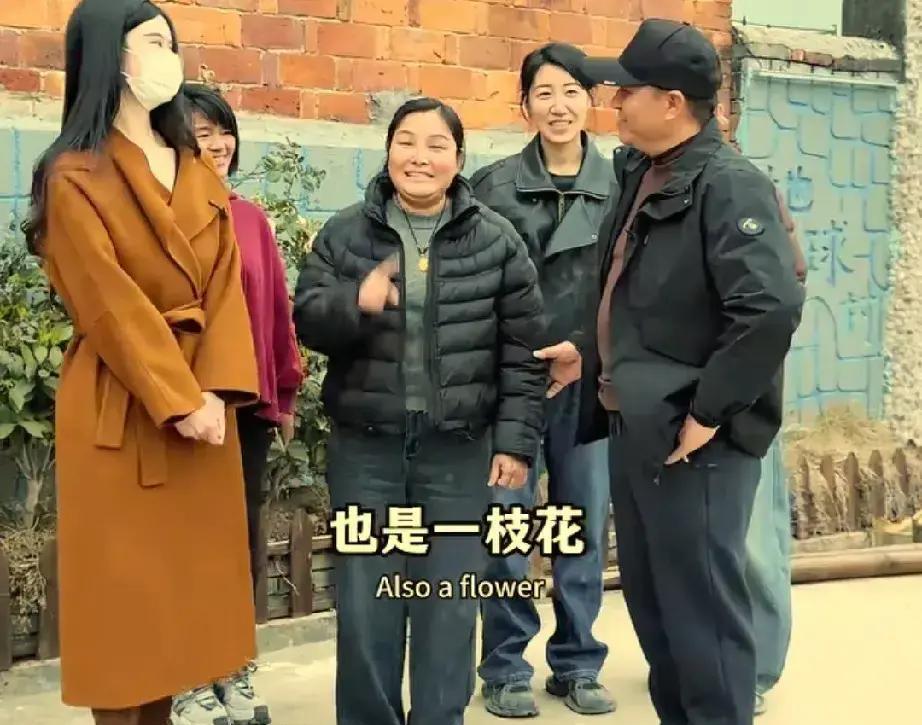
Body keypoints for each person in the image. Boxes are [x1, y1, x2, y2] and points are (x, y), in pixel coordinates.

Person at [21, 1, 261, 723]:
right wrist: (179, 399)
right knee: (126, 612)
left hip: (204, 407)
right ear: (111, 56)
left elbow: (227, 286)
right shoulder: (72, 174)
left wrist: (216, 391)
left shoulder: (193, 165)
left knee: (188, 611)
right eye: (154, 42)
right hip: (121, 406)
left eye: (170, 42)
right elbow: (106, 301)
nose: (169, 57)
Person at [576, 19, 805, 725]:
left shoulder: (728, 185)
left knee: (703, 621)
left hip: (692, 439)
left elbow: (768, 308)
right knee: (659, 613)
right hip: (638, 425)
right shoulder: (643, 172)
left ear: (673, 102)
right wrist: (588, 354)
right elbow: (635, 295)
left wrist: (708, 411)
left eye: (628, 89)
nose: (615, 100)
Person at [291, 97, 548, 725]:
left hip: (456, 450)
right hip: (367, 448)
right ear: (388, 151)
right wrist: (356, 300)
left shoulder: (496, 239)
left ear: (458, 159)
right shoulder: (346, 233)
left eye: (437, 145)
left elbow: (522, 351)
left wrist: (515, 443)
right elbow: (307, 320)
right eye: (407, 141)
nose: (420, 157)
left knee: (448, 602)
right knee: (366, 599)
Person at [470, 42, 615, 718]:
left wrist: (584, 348)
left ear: (592, 101)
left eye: (571, 91)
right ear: (524, 104)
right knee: (506, 526)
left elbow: (631, 290)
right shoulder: (491, 188)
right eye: (545, 93)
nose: (559, 106)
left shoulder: (622, 187)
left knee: (580, 523)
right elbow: (473, 286)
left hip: (588, 382)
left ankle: (579, 661)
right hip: (514, 383)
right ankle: (504, 666)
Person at [169, 82, 304, 725]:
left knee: (239, 542)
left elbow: (275, 309)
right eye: (202, 132)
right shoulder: (158, 215)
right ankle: (186, 677)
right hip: (178, 409)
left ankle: (233, 667)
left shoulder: (249, 218)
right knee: (183, 544)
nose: (218, 143)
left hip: (244, 409)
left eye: (224, 131)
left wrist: (286, 392)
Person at [714, 102, 806, 717]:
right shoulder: (648, 185)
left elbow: (782, 293)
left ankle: (755, 669)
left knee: (752, 542)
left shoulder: (745, 188)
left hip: (742, 397)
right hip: (676, 398)